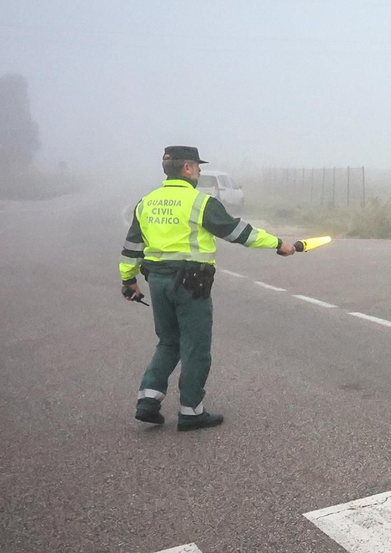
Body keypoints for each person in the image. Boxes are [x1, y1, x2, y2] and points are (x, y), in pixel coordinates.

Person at [119, 146, 296, 431]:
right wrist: (278, 244)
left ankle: (148, 400)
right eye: (198, 167)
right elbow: (238, 232)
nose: (200, 171)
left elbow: (132, 247)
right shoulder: (200, 203)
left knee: (168, 342)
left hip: (157, 282)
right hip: (191, 284)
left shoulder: (147, 202)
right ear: (187, 168)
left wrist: (128, 281)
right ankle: (191, 412)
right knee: (195, 346)